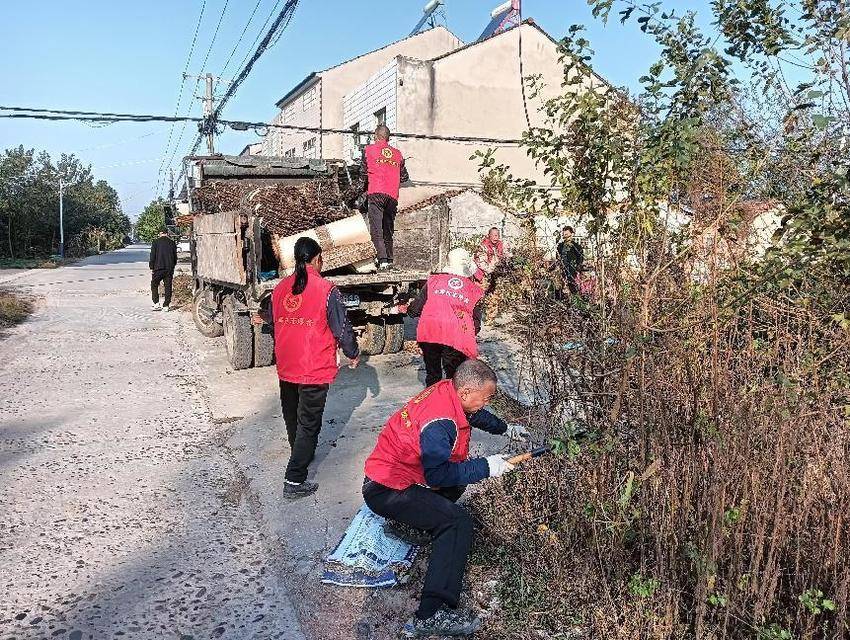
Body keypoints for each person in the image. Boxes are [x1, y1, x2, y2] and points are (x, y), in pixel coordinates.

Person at [362, 359, 528, 637]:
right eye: (485, 397)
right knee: (457, 523)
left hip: (394, 477)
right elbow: (438, 476)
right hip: (386, 490)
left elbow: (474, 415)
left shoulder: (448, 390)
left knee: (459, 479)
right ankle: (431, 614)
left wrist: (505, 429)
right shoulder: (440, 423)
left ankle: (412, 524)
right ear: (465, 392)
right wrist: (489, 466)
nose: (486, 403)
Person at [271, 237, 360, 499]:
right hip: (313, 366)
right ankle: (295, 480)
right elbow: (341, 327)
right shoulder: (326, 289)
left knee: (292, 416)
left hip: (287, 363)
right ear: (318, 258)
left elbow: (274, 321)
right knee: (309, 422)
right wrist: (352, 353)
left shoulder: (280, 288)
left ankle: (300, 454)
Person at [408, 248, 484, 387]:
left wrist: (409, 309)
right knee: (454, 376)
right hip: (455, 336)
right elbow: (476, 325)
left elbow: (414, 310)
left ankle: (433, 400)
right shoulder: (472, 290)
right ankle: (450, 403)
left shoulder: (433, 282)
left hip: (430, 332)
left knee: (433, 375)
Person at [361, 124, 410, 271]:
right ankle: (389, 259)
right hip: (392, 196)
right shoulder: (398, 154)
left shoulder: (368, 150)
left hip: (376, 193)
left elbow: (363, 174)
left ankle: (382, 261)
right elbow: (405, 177)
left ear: (376, 136)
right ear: (388, 138)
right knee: (388, 228)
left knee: (376, 228)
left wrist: (362, 193)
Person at [149, 229, 177, 311]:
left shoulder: (155, 242)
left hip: (158, 268)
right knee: (168, 286)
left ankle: (156, 303)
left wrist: (151, 267)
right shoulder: (172, 242)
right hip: (169, 268)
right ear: (167, 233)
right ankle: (166, 305)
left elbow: (152, 256)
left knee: (154, 284)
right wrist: (173, 266)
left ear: (160, 233)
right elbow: (175, 257)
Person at [474, 227, 508, 293]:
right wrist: (491, 271)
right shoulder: (483, 247)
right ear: (489, 235)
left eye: (497, 235)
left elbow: (508, 256)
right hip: (486, 274)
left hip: (500, 273)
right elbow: (481, 263)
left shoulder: (502, 245)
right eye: (494, 235)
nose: (496, 237)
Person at [556, 225, 584, 296]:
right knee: (559, 285)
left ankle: (576, 300)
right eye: (564, 235)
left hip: (572, 269)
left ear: (572, 234)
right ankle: (560, 299)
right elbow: (558, 257)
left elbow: (580, 258)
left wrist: (578, 267)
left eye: (567, 234)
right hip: (562, 268)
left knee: (572, 285)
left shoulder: (576, 246)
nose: (565, 236)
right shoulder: (560, 246)